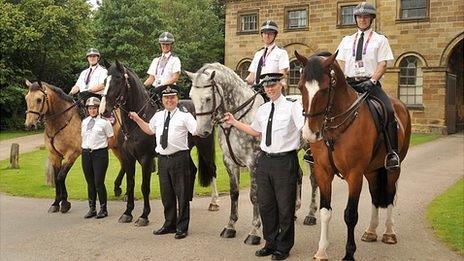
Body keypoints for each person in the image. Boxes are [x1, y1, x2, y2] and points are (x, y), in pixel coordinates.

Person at [223, 73, 304, 260]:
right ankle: (270, 242)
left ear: (281, 85)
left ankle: (283, 248)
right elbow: (256, 132)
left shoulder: (293, 107)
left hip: (285, 161)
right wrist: (235, 122)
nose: (270, 89)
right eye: (267, 86)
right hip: (265, 160)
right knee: (266, 205)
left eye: (273, 85)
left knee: (285, 207)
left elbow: (304, 128)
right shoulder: (263, 109)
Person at [336, 2, 400, 171]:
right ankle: (318, 150)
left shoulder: (380, 40)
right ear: (355, 19)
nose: (362, 20)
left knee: (389, 110)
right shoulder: (346, 40)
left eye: (366, 17)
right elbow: (340, 62)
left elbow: (383, 64)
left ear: (371, 19)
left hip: (370, 83)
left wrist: (371, 81)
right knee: (328, 107)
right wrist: (342, 80)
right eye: (359, 17)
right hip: (349, 83)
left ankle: (392, 153)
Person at [128, 85, 197, 240]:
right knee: (167, 195)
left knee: (182, 194)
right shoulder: (158, 116)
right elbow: (150, 130)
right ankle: (169, 224)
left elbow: (196, 131)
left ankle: (182, 227)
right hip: (163, 160)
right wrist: (138, 119)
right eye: (166, 98)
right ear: (163, 100)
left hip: (180, 158)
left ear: (177, 99)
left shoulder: (185, 116)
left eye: (172, 97)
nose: (169, 100)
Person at [81, 97, 114, 219]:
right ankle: (92, 208)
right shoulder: (84, 122)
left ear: (98, 109)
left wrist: (103, 149)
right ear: (87, 110)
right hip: (86, 153)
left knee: (99, 182)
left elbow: (111, 139)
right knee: (90, 182)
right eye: (90, 108)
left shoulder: (105, 123)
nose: (92, 110)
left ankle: (103, 209)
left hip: (99, 154)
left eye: (94, 108)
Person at [246, 21, 289, 95]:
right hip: (256, 92)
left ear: (275, 35)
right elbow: (251, 77)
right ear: (262, 35)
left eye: (270, 33)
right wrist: (239, 82)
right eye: (265, 33)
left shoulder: (281, 53)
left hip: (272, 91)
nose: (267, 35)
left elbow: (282, 74)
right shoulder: (258, 54)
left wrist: (269, 83)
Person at [144, 32, 181, 101]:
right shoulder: (156, 60)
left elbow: (175, 78)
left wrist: (161, 86)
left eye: (167, 44)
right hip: (155, 91)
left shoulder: (175, 59)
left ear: (171, 45)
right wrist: (142, 87)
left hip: (169, 90)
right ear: (160, 45)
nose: (165, 46)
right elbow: (151, 78)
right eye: (163, 44)